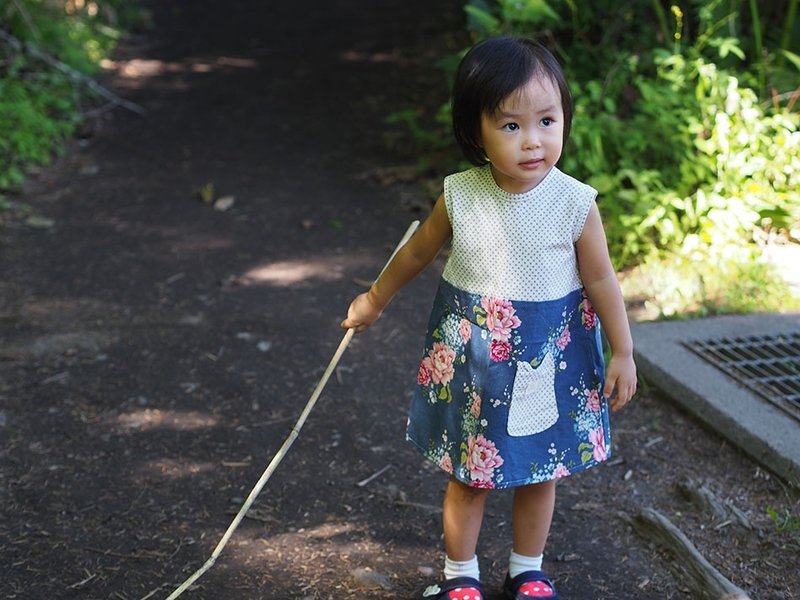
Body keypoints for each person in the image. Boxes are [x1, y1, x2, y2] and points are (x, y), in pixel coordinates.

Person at [341, 35, 637, 600]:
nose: (533, 141)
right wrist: (374, 299)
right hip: (476, 362)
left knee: (541, 469)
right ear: (474, 130)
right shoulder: (461, 194)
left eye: (547, 121)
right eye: (510, 126)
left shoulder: (575, 202)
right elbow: (417, 252)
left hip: (548, 358)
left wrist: (621, 351)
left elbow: (601, 280)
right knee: (469, 474)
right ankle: (461, 577)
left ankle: (528, 569)